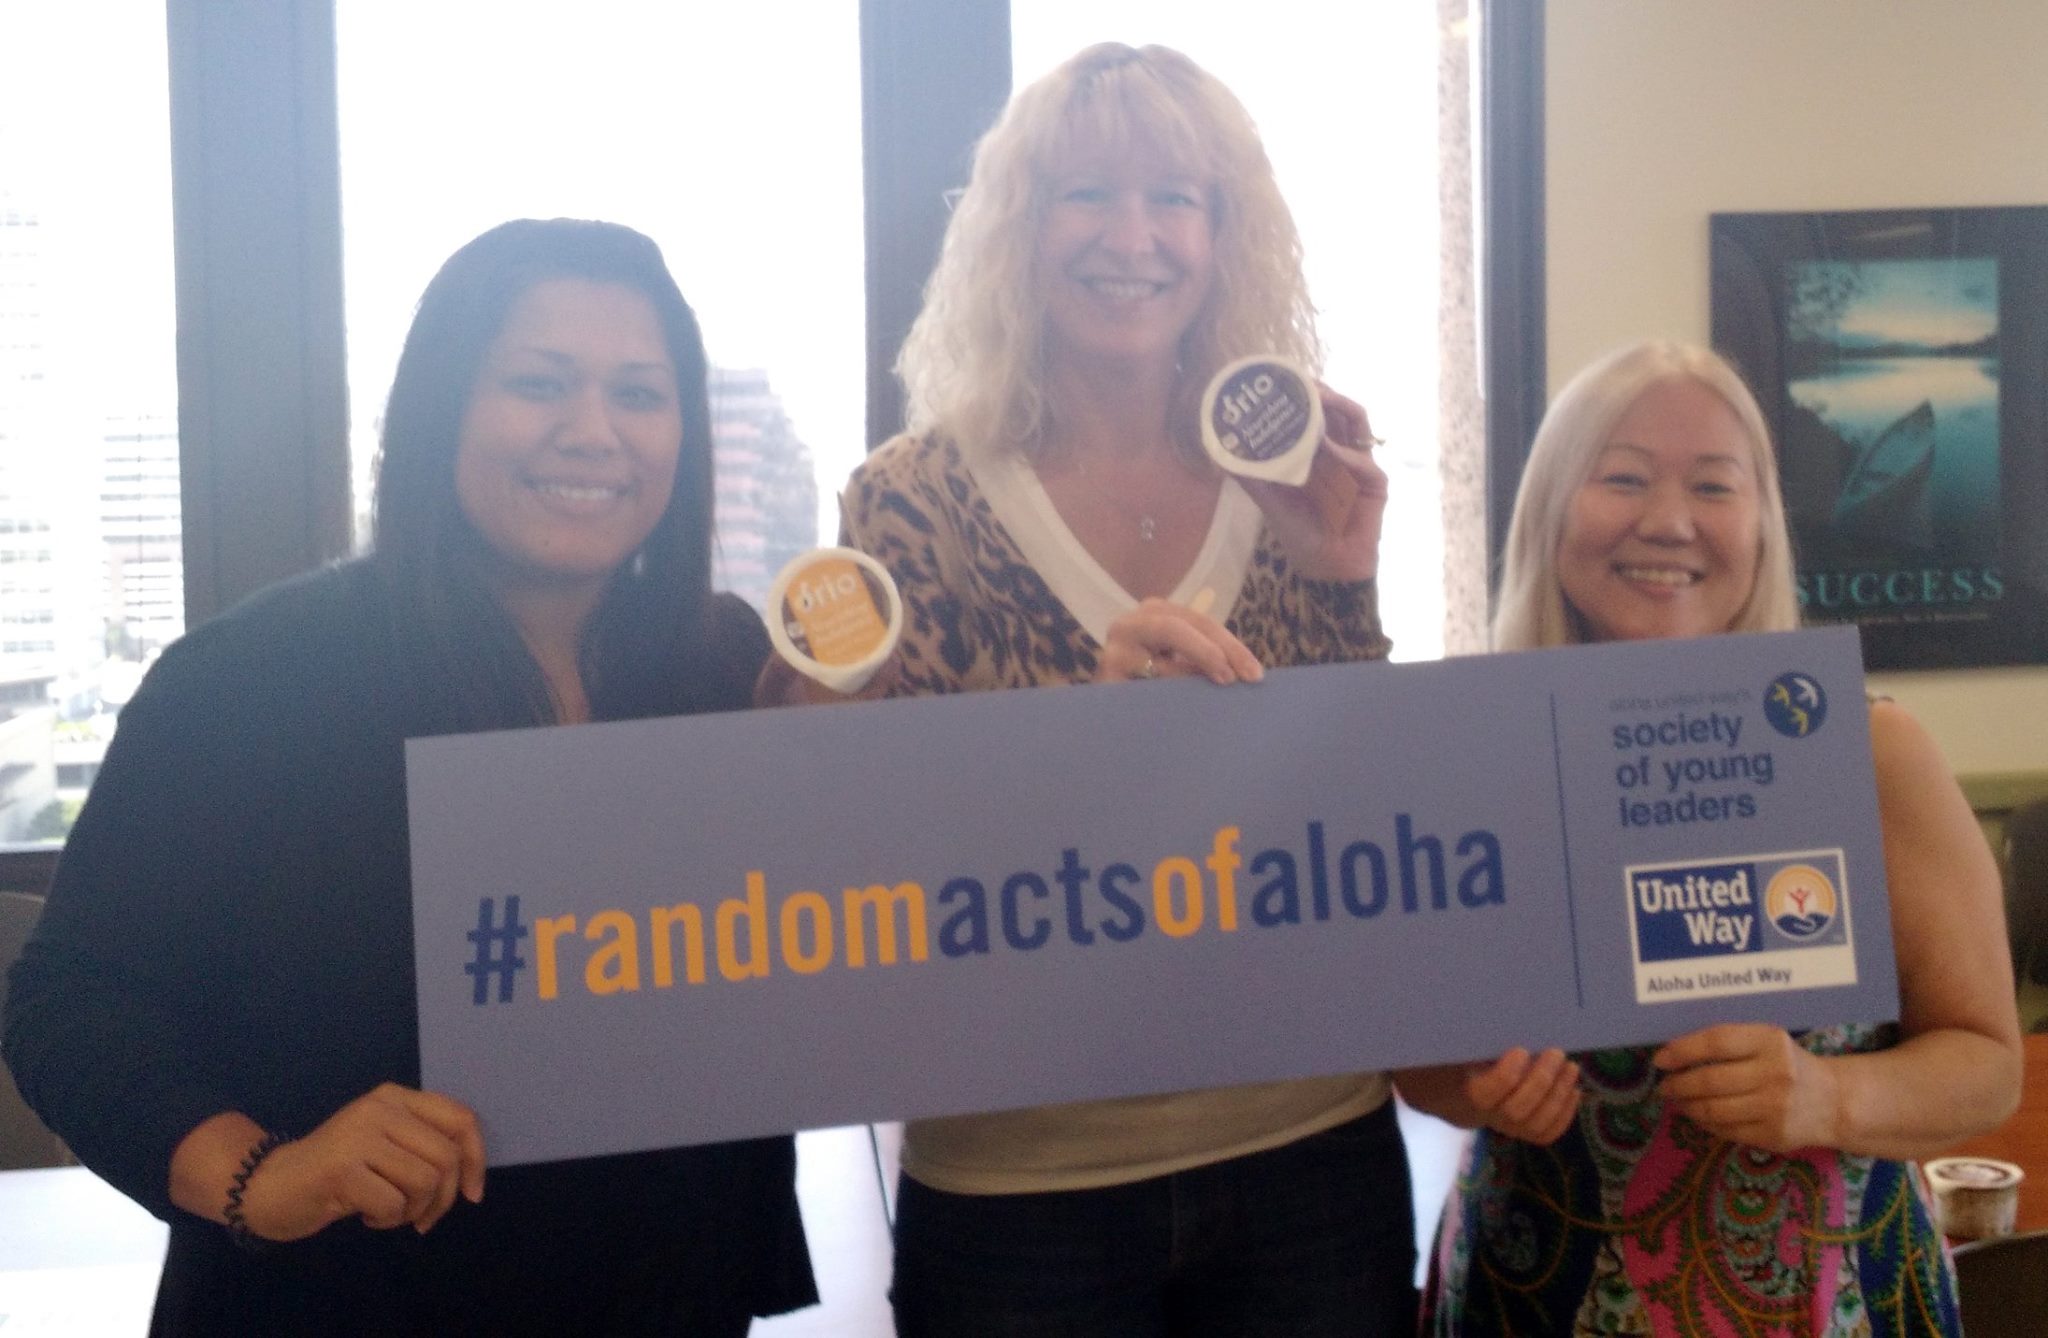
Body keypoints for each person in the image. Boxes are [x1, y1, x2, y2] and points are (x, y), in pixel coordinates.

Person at [806, 41, 1573, 1336]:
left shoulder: (1288, 478)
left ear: (1224, 236)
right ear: (1016, 227)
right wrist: (1084, 741)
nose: (1134, 236)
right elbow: (889, 856)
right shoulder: (911, 496)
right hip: (1017, 1179)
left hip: (1306, 1147)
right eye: (1085, 194)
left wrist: (1342, 579)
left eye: (1176, 198)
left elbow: (1353, 817)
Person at [3, 219, 816, 1335]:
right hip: (340, 1302)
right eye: (539, 384)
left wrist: (834, 794)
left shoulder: (726, 666)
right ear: (440, 410)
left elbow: (787, 963)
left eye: (639, 394)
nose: (594, 432)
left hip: (666, 1291)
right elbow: (71, 1001)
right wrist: (261, 1178)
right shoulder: (253, 678)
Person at [1411, 340, 2023, 1335]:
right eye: (1622, 477)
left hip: (1825, 1305)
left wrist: (1823, 1095)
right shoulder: (1473, 758)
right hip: (1532, 1292)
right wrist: (1474, 1089)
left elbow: (1987, 1066)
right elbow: (1419, 1064)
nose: (1667, 520)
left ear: (1761, 525)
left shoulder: (1869, 753)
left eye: (1712, 485)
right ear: (1550, 509)